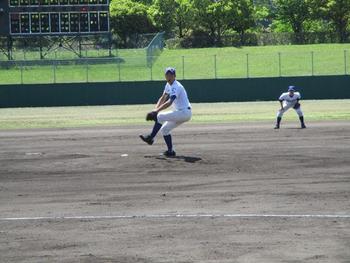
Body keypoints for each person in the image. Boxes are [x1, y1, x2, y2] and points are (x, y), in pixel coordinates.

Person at [140, 67, 192, 157]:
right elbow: (163, 97)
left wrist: (157, 111)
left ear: (175, 76)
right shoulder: (168, 85)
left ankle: (150, 138)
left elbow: (169, 102)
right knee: (164, 130)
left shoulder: (176, 86)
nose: (169, 76)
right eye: (167, 75)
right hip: (180, 113)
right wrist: (154, 110)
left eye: (171, 75)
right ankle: (170, 151)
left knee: (160, 116)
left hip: (184, 112)